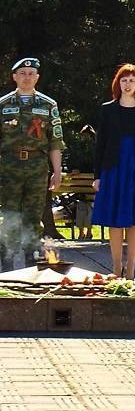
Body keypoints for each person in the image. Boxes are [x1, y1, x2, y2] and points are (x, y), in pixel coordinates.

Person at [91, 64, 135, 278]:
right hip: (113, 169)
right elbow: (100, 144)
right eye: (124, 80)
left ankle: (130, 267)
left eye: (132, 80)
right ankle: (115, 266)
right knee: (114, 219)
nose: (128, 84)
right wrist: (97, 176)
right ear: (117, 83)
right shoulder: (107, 109)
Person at [0, 57, 64, 271]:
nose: (26, 77)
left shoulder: (48, 105)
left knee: (33, 215)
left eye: (31, 73)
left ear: (37, 78)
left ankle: (30, 263)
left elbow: (55, 141)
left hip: (37, 166)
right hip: (8, 166)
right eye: (22, 73)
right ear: (14, 77)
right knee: (8, 214)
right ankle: (6, 265)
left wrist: (57, 171)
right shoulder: (3, 105)